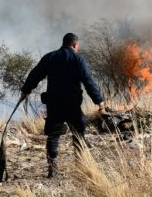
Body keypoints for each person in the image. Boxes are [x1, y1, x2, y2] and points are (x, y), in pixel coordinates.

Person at [19, 32, 105, 177]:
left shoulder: (50, 57)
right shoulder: (79, 59)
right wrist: (99, 101)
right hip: (73, 104)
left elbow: (35, 74)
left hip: (54, 104)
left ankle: (52, 169)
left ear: (63, 43)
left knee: (53, 135)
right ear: (75, 45)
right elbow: (88, 81)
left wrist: (25, 91)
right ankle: (81, 163)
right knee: (79, 133)